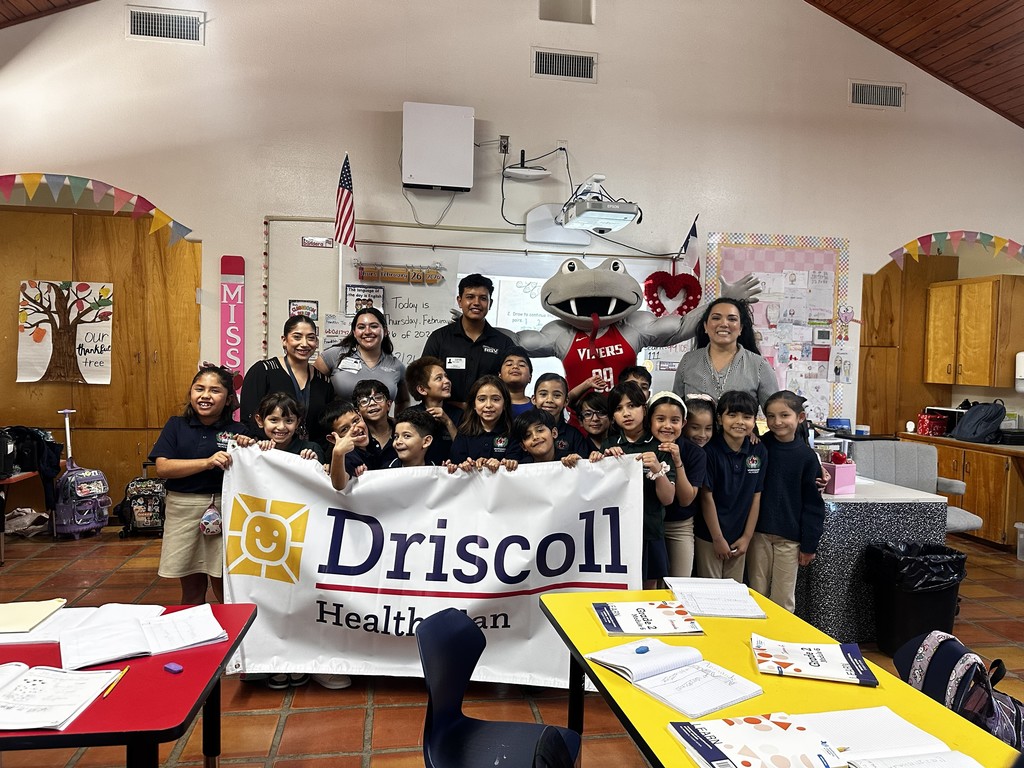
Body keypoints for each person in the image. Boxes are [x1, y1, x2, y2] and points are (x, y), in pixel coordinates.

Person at [149, 365, 246, 605]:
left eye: (215, 390)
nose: (205, 396)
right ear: (190, 393)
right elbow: (163, 467)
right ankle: (192, 636)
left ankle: (234, 638)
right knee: (192, 589)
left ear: (228, 399)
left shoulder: (239, 431)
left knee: (227, 589)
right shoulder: (176, 425)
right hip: (183, 510)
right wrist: (207, 462)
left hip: (227, 512)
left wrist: (249, 446)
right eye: (199, 389)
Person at [747, 390, 826, 613]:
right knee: (756, 594)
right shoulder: (758, 447)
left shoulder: (807, 457)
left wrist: (809, 544)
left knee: (783, 599)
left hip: (789, 540)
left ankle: (780, 643)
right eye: (770, 416)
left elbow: (813, 504)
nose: (777, 422)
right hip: (758, 534)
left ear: (799, 418)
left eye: (784, 415)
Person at [590, 381, 674, 588]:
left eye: (632, 406)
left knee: (649, 588)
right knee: (617, 588)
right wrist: (600, 461)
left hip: (649, 530)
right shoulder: (609, 445)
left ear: (644, 409)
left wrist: (656, 468)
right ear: (613, 417)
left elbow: (668, 498)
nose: (626, 413)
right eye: (618, 409)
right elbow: (597, 491)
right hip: (616, 533)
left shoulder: (660, 444)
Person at [695, 390, 767, 581]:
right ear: (719, 419)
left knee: (734, 594)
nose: (740, 421)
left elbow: (756, 495)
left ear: (754, 421)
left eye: (747, 417)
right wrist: (718, 539)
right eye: (732, 415)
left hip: (740, 536)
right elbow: (706, 496)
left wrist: (747, 537)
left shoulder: (758, 449)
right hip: (709, 535)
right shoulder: (709, 451)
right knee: (709, 595)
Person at [421, 274, 516, 409]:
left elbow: (509, 385)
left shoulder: (503, 343)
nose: (476, 302)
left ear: (490, 303)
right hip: (443, 416)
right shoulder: (439, 338)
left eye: (483, 298)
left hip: (486, 419)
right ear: (459, 301)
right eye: (470, 297)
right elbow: (423, 379)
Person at [241, 315, 335, 449]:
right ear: (284, 340)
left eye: (311, 338)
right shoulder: (263, 371)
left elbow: (326, 426)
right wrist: (261, 446)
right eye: (297, 337)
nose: (304, 343)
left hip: (308, 457)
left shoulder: (323, 381)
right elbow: (249, 418)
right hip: (267, 452)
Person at [672, 298, 776, 409]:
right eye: (716, 318)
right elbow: (675, 409)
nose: (724, 324)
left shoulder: (759, 365)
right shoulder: (688, 361)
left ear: (740, 328)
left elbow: (775, 413)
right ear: (706, 326)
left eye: (732, 319)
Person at [648, 391, 706, 579]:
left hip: (678, 525)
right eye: (660, 419)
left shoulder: (695, 453)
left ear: (683, 423)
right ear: (650, 421)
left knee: (680, 583)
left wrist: (677, 460)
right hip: (646, 523)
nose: (667, 426)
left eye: (674, 420)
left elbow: (686, 499)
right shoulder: (642, 446)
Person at [316, 307, 410, 412]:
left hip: (379, 428)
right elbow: (312, 393)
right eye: (361, 327)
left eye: (374, 326)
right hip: (342, 427)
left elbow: (403, 401)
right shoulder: (333, 356)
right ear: (354, 333)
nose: (367, 331)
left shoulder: (397, 366)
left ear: (386, 331)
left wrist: (398, 425)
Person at [449, 375, 520, 471]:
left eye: (495, 399)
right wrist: (465, 465)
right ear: (474, 404)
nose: (488, 405)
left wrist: (503, 464)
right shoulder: (463, 432)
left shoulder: (513, 432)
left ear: (505, 404)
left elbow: (516, 464)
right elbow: (456, 464)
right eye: (482, 399)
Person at [236, 392, 325, 462]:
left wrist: (314, 462)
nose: (281, 427)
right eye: (274, 420)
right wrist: (244, 446)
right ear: (260, 421)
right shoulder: (256, 448)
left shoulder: (312, 449)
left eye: (289, 421)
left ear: (297, 422)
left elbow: (321, 481)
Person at [405, 355, 461, 465]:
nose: (447, 381)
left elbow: (464, 449)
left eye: (446, 376)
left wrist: (448, 422)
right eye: (439, 378)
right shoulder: (410, 416)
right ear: (422, 389)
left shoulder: (459, 414)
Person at [531, 372, 591, 457]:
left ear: (566, 401)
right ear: (534, 399)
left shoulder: (574, 435)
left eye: (556, 395)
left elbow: (585, 465)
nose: (549, 400)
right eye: (543, 394)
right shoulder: (524, 432)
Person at [511, 409, 582, 467]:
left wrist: (579, 463)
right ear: (523, 446)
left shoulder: (570, 460)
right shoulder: (520, 468)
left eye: (540, 430)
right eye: (528, 435)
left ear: (554, 433)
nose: (535, 437)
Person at [352, 379, 397, 467]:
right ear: (358, 412)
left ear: (388, 405)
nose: (372, 403)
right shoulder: (355, 437)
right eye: (364, 401)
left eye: (378, 398)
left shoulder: (403, 431)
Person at [499, 346, 534, 416]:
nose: (515, 366)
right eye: (509, 364)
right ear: (500, 376)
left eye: (521, 365)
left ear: (530, 377)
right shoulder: (492, 406)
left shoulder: (537, 407)